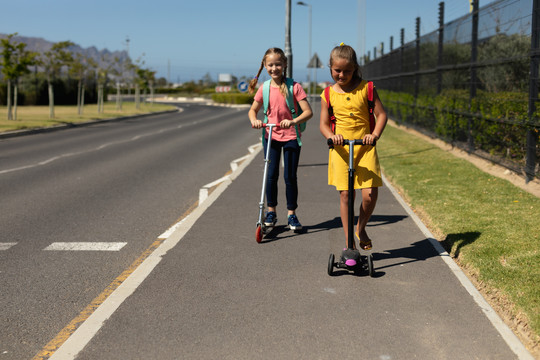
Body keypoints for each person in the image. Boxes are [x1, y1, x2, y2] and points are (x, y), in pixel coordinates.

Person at [319, 43, 387, 250]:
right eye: (337, 70)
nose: (342, 75)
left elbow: (381, 115)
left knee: (369, 195)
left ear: (355, 68)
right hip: (341, 150)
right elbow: (323, 124)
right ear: (330, 68)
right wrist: (332, 136)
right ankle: (350, 244)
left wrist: (374, 135)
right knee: (346, 195)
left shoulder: (367, 88)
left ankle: (361, 227)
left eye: (347, 71)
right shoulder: (327, 94)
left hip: (364, 148)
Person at [248, 47, 313, 231]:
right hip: (271, 136)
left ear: (284, 65)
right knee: (271, 175)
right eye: (270, 65)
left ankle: (292, 214)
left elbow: (308, 112)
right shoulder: (265, 88)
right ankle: (271, 212)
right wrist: (255, 120)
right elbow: (253, 110)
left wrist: (293, 121)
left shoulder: (295, 86)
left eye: (278, 64)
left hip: (291, 136)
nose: (274, 68)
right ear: (265, 66)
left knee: (289, 176)